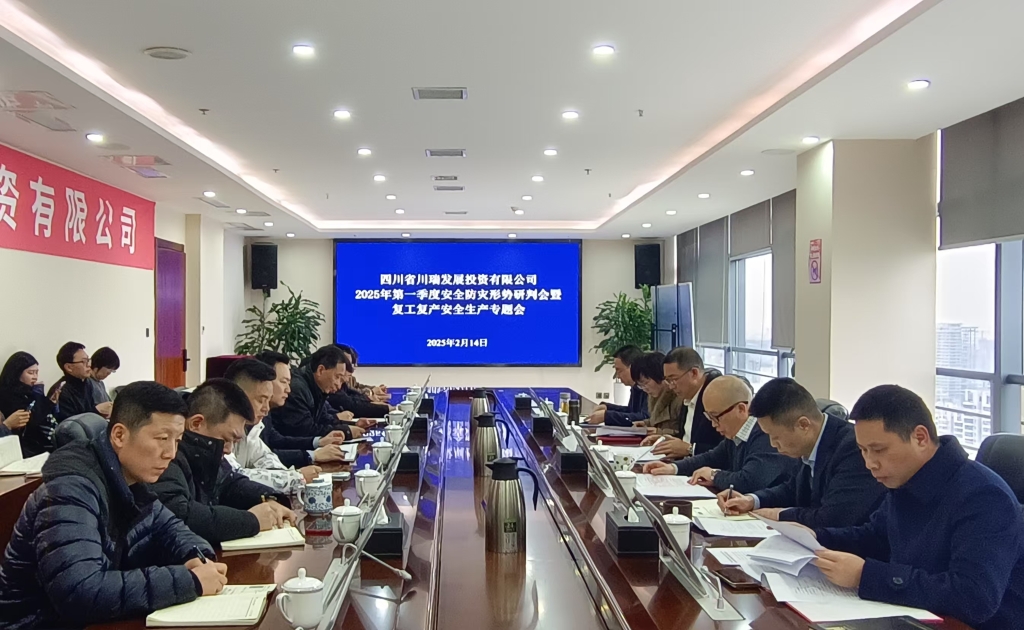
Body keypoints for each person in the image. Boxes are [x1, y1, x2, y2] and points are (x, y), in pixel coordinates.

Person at [0, 381, 227, 629]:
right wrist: (188, 580)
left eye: (177, 440)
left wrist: (199, 558)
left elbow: (171, 528)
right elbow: (79, 592)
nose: (171, 453)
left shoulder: (130, 481)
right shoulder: (70, 491)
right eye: (162, 438)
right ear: (119, 435)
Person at [809, 385, 1024, 630]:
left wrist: (864, 576)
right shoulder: (906, 478)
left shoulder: (983, 496)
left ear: (920, 438)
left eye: (878, 450)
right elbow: (876, 537)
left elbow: (974, 597)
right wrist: (815, 537)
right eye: (863, 451)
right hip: (914, 616)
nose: (870, 463)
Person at [719, 377, 885, 528]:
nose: (772, 444)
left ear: (803, 425)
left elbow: (833, 518)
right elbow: (792, 489)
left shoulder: (852, 449)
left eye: (775, 436)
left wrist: (780, 515)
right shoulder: (809, 443)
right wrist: (752, 500)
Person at [151, 379, 295, 544]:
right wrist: (251, 520)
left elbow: (230, 483)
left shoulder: (205, 451)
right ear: (196, 423)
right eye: (227, 439)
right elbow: (182, 516)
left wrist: (268, 500)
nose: (229, 450)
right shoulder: (167, 457)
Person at [643, 375, 796, 494]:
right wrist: (672, 468)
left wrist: (714, 475)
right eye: (709, 417)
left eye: (716, 417)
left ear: (741, 409)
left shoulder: (765, 434)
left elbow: (749, 481)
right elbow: (712, 457)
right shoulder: (735, 435)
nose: (713, 424)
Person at [224, 358, 322, 493]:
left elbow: (265, 458)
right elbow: (233, 476)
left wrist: (291, 476)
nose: (266, 409)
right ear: (237, 396)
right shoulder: (216, 423)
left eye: (268, 400)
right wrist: (296, 478)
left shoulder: (252, 427)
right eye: (261, 400)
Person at [254, 351, 348, 464]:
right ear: (264, 381)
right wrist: (312, 455)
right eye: (284, 382)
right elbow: (259, 458)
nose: (288, 389)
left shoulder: (266, 411)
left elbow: (276, 440)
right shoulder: (248, 414)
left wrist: (318, 442)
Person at [640, 347, 723, 459]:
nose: (671, 386)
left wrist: (690, 449)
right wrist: (665, 440)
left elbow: (726, 452)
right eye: (668, 380)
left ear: (694, 373)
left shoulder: (716, 398)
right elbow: (686, 439)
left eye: (673, 379)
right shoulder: (687, 395)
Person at [269, 345, 360, 440]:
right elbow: (304, 430)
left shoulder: (317, 388)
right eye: (337, 377)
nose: (339, 385)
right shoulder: (298, 389)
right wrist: (346, 431)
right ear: (320, 370)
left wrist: (354, 425)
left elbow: (323, 419)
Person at [0, 352, 59, 457]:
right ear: (17, 373)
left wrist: (51, 402)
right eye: (31, 373)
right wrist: (7, 425)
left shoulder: (31, 392)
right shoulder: (6, 395)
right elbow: (32, 421)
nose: (35, 377)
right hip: (21, 449)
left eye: (36, 373)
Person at [588, 345, 648, 427]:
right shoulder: (636, 387)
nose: (617, 376)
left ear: (632, 367)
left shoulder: (648, 387)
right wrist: (607, 407)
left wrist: (607, 416)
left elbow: (644, 417)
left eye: (619, 370)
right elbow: (631, 411)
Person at [50, 342, 111, 420]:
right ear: (69, 367)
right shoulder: (60, 391)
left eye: (88, 360)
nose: (89, 365)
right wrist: (96, 411)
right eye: (84, 361)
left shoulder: (87, 383)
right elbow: (69, 424)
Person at [629, 352, 681, 435]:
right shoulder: (654, 397)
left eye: (646, 383)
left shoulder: (679, 398)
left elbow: (684, 435)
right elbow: (658, 422)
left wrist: (658, 432)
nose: (644, 389)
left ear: (660, 375)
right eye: (640, 386)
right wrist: (646, 424)